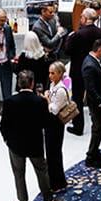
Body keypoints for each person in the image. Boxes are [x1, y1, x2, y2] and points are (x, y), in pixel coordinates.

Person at [0, 70, 64, 201]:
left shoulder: (9, 101)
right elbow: (46, 123)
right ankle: (48, 200)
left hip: (15, 145)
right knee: (42, 172)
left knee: (19, 174)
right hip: (35, 144)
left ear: (18, 84)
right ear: (33, 83)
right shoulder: (40, 101)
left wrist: (8, 141)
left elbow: (4, 125)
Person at [62, 7, 101, 136]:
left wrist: (69, 39)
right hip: (96, 69)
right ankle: (99, 123)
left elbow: (67, 51)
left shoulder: (77, 35)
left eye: (81, 16)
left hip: (78, 71)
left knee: (77, 98)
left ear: (85, 19)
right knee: (97, 96)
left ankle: (78, 126)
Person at [43, 61, 70, 192]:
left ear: (60, 73)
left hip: (56, 125)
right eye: (49, 73)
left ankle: (56, 183)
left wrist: (47, 98)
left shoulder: (61, 90)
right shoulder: (54, 85)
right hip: (50, 124)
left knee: (54, 153)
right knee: (52, 153)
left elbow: (54, 109)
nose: (50, 76)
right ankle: (57, 180)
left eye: (52, 73)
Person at [82, 39, 101, 168]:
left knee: (99, 128)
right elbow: (90, 88)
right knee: (98, 129)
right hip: (95, 104)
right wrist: (100, 102)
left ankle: (95, 151)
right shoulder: (89, 65)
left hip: (97, 101)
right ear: (99, 50)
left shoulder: (94, 61)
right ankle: (91, 156)